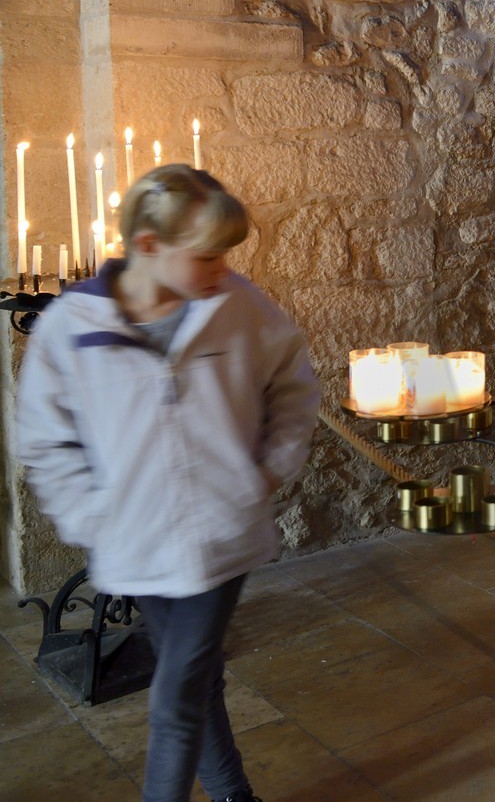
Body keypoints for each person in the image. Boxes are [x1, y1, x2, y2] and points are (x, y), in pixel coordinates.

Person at [16, 164, 319, 802]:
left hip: (223, 532)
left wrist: (264, 472)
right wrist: (93, 517)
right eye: (207, 256)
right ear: (149, 247)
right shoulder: (71, 325)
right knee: (198, 680)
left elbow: (293, 381)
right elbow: (45, 437)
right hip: (136, 542)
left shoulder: (234, 302)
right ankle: (235, 793)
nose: (222, 271)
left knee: (176, 695)